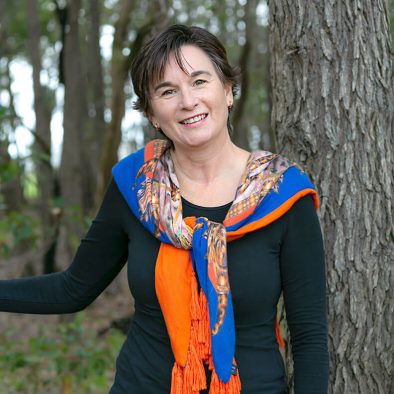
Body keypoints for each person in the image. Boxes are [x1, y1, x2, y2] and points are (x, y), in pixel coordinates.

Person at [0, 25, 329, 393]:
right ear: (154, 114)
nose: (187, 101)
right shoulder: (135, 186)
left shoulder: (283, 193)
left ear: (227, 90)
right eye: (167, 91)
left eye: (199, 81)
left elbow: (309, 335)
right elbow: (73, 289)